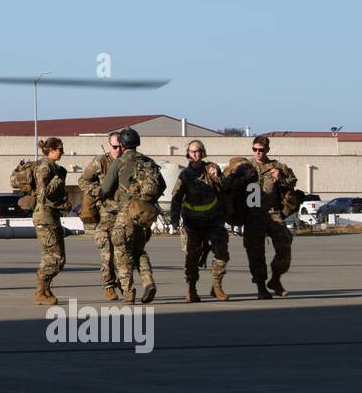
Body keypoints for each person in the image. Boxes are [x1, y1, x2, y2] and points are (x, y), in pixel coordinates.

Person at [99, 127, 163, 303]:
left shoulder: (119, 163)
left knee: (121, 250)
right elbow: (162, 185)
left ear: (122, 144)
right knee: (139, 250)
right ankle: (148, 281)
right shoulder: (149, 162)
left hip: (126, 212)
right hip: (145, 214)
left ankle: (128, 291)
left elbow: (105, 188)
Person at [169, 140, 229, 302]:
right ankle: (191, 288)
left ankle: (217, 286)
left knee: (222, 253)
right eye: (192, 151)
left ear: (203, 152)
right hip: (192, 222)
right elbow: (176, 198)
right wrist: (174, 220)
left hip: (213, 220)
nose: (196, 154)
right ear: (188, 154)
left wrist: (217, 176)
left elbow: (225, 188)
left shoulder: (211, 168)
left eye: (198, 151)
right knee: (192, 257)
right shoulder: (185, 175)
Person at [241, 135, 297, 298]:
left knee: (284, 245)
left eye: (261, 150)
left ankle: (275, 279)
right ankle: (261, 287)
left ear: (267, 150)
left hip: (273, 214)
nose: (258, 153)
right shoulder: (244, 167)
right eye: (255, 149)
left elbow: (292, 181)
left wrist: (280, 178)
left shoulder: (277, 166)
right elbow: (228, 184)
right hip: (252, 215)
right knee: (255, 253)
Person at [79, 131, 124, 301]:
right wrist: (99, 191)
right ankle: (109, 286)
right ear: (109, 145)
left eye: (121, 146)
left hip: (125, 214)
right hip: (105, 215)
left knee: (126, 253)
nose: (118, 150)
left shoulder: (128, 161)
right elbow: (83, 181)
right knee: (107, 253)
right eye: (115, 147)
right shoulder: (101, 162)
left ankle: (124, 283)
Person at [32, 137, 70, 306]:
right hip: (44, 216)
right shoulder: (44, 168)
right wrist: (57, 180)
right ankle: (40, 291)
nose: (62, 152)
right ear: (53, 149)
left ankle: (45, 290)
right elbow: (42, 194)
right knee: (56, 257)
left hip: (52, 215)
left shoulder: (53, 167)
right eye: (60, 149)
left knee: (54, 257)